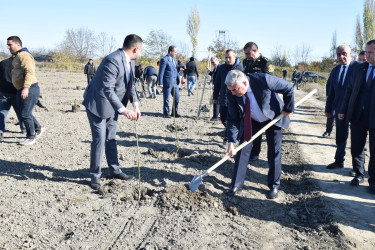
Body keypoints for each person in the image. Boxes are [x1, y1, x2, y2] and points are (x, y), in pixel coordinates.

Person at [82, 34, 143, 190]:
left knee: (111, 138)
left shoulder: (130, 62)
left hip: (113, 106)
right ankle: (95, 175)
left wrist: (136, 105)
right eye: (141, 50)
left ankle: (114, 170)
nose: (141, 53)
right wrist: (123, 110)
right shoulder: (113, 60)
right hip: (98, 104)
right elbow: (107, 90)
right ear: (135, 49)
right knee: (99, 140)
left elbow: (131, 86)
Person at [224, 70, 294, 199]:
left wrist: (288, 109)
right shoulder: (231, 93)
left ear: (244, 82)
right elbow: (233, 118)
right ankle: (236, 185)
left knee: (274, 151)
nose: (233, 93)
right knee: (243, 149)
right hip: (252, 120)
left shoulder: (263, 80)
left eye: (235, 90)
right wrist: (231, 142)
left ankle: (274, 186)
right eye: (231, 90)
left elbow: (288, 87)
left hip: (273, 118)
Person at [339, 39, 375, 194]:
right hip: (358, 115)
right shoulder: (359, 69)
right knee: (356, 148)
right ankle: (359, 174)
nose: (366, 55)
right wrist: (343, 109)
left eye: (370, 52)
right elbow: (349, 92)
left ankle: (373, 180)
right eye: (366, 52)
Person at [325, 45, 361, 170]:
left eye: (344, 53)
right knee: (340, 136)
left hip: (356, 110)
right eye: (338, 54)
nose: (341, 57)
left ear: (351, 53)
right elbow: (331, 91)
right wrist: (328, 109)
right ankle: (339, 160)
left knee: (358, 140)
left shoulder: (359, 67)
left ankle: (357, 169)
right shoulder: (335, 70)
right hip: (339, 109)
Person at [7, 36, 44, 146]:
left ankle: (31, 137)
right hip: (21, 88)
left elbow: (29, 72)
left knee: (25, 114)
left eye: (10, 45)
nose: (8, 47)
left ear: (18, 44)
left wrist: (26, 87)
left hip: (29, 88)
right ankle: (38, 128)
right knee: (25, 112)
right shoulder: (17, 56)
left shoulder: (24, 55)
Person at [243, 42, 274, 161]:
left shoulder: (266, 62)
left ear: (255, 51)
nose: (246, 56)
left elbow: (269, 81)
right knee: (254, 128)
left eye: (248, 53)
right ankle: (255, 152)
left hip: (264, 100)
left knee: (268, 130)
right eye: (245, 54)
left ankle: (270, 157)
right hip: (251, 99)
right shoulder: (246, 62)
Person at [213, 49, 243, 146]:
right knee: (223, 119)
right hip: (223, 98)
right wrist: (215, 96)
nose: (227, 59)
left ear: (235, 56)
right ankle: (233, 132)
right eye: (226, 57)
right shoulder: (221, 68)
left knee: (231, 119)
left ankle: (227, 138)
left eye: (229, 57)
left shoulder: (241, 67)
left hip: (236, 98)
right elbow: (217, 83)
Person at [0, 57, 25, 139]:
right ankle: (24, 129)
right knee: (20, 112)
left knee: (2, 112)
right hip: (16, 91)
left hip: (3, 91)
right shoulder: (19, 64)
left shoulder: (3, 63)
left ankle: (1, 130)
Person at [158, 46, 181, 118]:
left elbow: (175, 69)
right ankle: (166, 112)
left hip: (175, 82)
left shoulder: (174, 59)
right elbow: (161, 72)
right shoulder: (164, 60)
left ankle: (174, 112)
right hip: (167, 82)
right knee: (166, 98)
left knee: (177, 97)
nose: (176, 53)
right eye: (175, 52)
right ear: (171, 52)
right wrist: (160, 82)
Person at [207, 57, 220, 121]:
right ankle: (216, 115)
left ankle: (216, 116)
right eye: (212, 62)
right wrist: (209, 72)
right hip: (215, 86)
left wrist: (216, 85)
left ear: (217, 60)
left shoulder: (220, 67)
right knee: (216, 100)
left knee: (216, 101)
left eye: (213, 62)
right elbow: (214, 75)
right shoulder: (216, 67)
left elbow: (219, 77)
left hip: (219, 87)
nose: (212, 63)